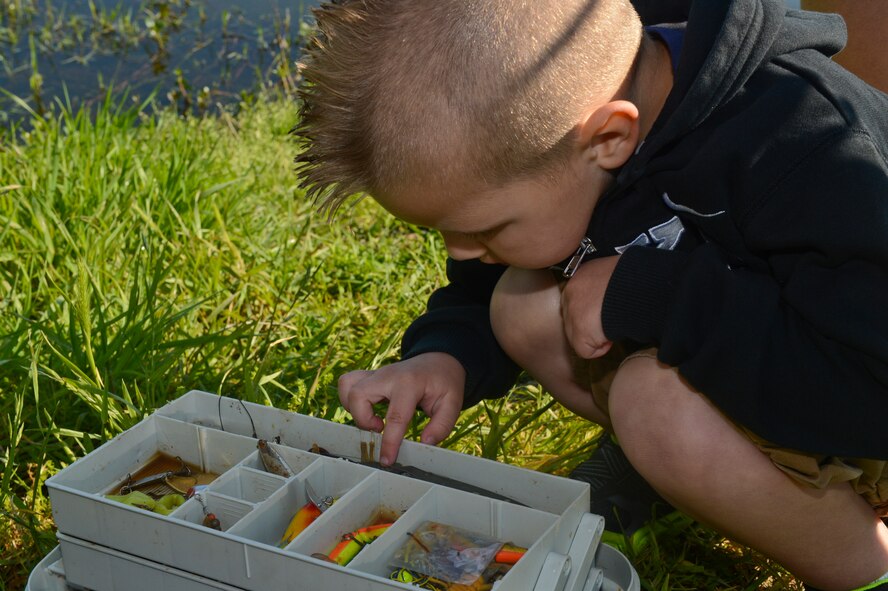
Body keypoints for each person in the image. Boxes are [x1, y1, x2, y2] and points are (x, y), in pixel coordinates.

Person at [293, 0, 888, 589]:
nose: (458, 252)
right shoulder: (593, 109)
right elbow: (483, 286)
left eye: (482, 229)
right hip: (775, 363)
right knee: (522, 304)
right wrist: (446, 353)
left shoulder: (809, 144)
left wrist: (657, 295)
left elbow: (869, 379)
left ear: (609, 138)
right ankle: (680, 471)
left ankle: (864, 567)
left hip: (861, 393)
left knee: (651, 405)